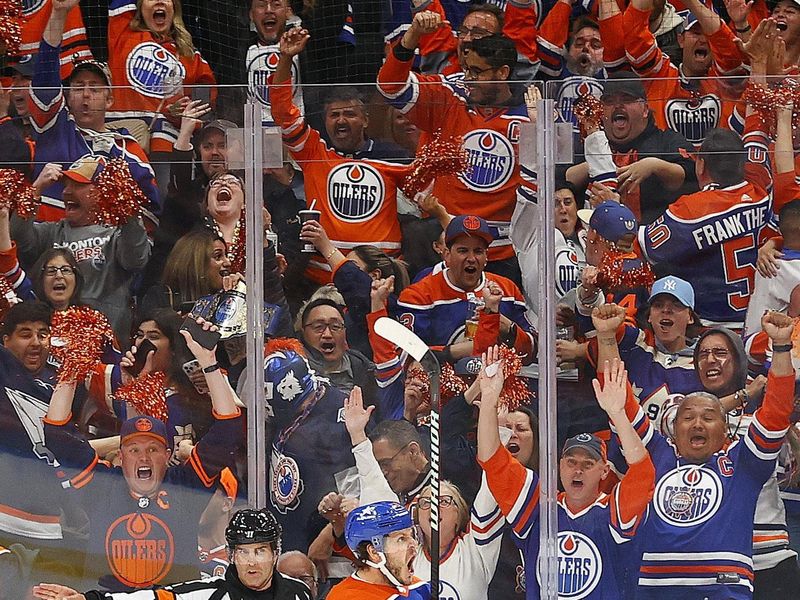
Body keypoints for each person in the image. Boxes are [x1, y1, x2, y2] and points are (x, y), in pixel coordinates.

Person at [38, 316, 244, 592]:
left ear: (167, 454)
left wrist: (209, 361)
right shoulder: (103, 486)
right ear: (120, 456)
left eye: (153, 449)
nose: (144, 457)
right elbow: (56, 434)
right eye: (134, 449)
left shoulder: (184, 484)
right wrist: (71, 368)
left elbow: (228, 429)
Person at [604, 311, 797, 598]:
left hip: (734, 579)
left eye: (708, 417)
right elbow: (617, 397)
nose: (696, 423)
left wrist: (781, 347)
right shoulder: (659, 455)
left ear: (725, 429)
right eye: (688, 417)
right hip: (656, 587)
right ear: (672, 428)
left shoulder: (742, 461)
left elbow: (776, 413)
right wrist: (606, 337)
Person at [478, 349, 655, 599]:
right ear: (559, 466)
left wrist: (617, 414)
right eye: (570, 461)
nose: (578, 469)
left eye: (588, 463)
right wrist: (488, 400)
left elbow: (642, 471)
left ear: (604, 471)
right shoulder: (538, 507)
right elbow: (491, 459)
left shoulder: (614, 511)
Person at [378, 24, 535, 282]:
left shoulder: (530, 113)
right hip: (446, 243)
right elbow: (390, 87)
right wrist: (412, 38)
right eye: (466, 70)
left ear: (503, 72)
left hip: (506, 250)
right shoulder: (450, 97)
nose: (468, 78)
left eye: (477, 72)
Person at [270, 28, 410, 284]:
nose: (341, 120)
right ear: (325, 121)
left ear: (366, 119)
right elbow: (282, 112)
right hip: (322, 279)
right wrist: (286, 59)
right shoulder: (314, 151)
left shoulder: (392, 157)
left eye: (350, 114)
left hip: (379, 278)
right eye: (334, 115)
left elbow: (424, 193)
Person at [30, 0, 159, 227]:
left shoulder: (127, 148)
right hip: (50, 244)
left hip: (105, 252)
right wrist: (59, 14)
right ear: (67, 97)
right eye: (78, 88)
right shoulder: (53, 126)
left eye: (95, 88)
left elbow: (150, 208)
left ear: (110, 100)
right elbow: (45, 75)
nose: (86, 94)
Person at [10, 156, 151, 342]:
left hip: (105, 345)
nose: (66, 191)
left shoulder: (117, 235)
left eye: (77, 185)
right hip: (52, 343)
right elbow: (15, 238)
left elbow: (136, 259)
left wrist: (128, 212)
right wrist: (35, 190)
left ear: (102, 191)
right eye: (66, 185)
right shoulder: (52, 232)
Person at [32, 508, 313, 599]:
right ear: (231, 555)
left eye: (260, 551)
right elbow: (154, 597)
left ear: (276, 553)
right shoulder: (208, 594)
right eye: (244, 552)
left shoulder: (299, 592)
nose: (251, 561)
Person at [396, 215, 536, 363]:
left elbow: (533, 353)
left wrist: (508, 327)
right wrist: (462, 350)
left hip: (502, 383)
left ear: (486, 257)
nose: (471, 258)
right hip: (440, 384)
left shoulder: (506, 290)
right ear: (447, 255)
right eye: (463, 251)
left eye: (478, 251)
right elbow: (406, 359)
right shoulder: (418, 296)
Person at [262, 340, 357, 552]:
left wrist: (331, 535)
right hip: (286, 529)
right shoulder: (281, 415)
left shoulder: (342, 411)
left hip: (326, 542)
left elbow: (354, 486)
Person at [566, 72, 696, 225]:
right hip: (599, 237)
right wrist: (596, 165)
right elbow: (561, 179)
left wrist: (654, 165)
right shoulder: (591, 144)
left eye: (627, 100)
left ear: (645, 109)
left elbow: (691, 175)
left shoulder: (666, 140)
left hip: (656, 236)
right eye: (609, 101)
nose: (617, 105)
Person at [623, 0, 746, 146]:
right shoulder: (660, 76)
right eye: (695, 33)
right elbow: (635, 34)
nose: (702, 40)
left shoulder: (724, 81)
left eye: (707, 35)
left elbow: (724, 44)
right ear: (681, 40)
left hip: (717, 166)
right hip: (665, 164)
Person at [106, 0, 217, 155]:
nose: (159, 1)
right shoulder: (123, 33)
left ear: (174, 7)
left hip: (165, 145)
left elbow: (203, 108)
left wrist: (180, 113)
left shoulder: (190, 56)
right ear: (140, 7)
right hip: (120, 139)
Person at [327, 501, 430, 600]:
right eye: (401, 539)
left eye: (412, 536)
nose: (414, 544)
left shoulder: (420, 588)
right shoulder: (345, 596)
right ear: (374, 552)